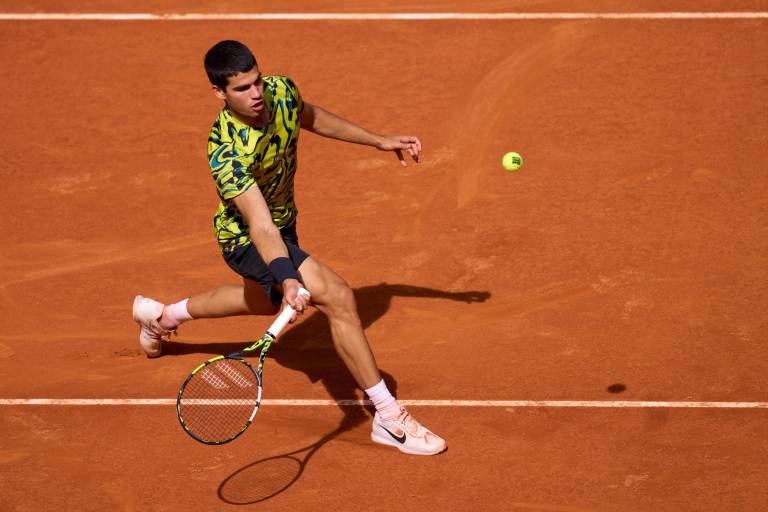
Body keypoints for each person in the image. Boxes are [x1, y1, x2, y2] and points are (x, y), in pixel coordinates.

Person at [132, 40, 446, 456]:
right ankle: (388, 418)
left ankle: (162, 316)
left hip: (284, 226)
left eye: (257, 81)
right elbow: (260, 226)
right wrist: (289, 277)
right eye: (242, 88)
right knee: (337, 296)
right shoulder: (224, 150)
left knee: (261, 302)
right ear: (219, 94)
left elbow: (309, 116)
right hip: (245, 239)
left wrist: (377, 140)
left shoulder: (280, 92)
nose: (256, 93)